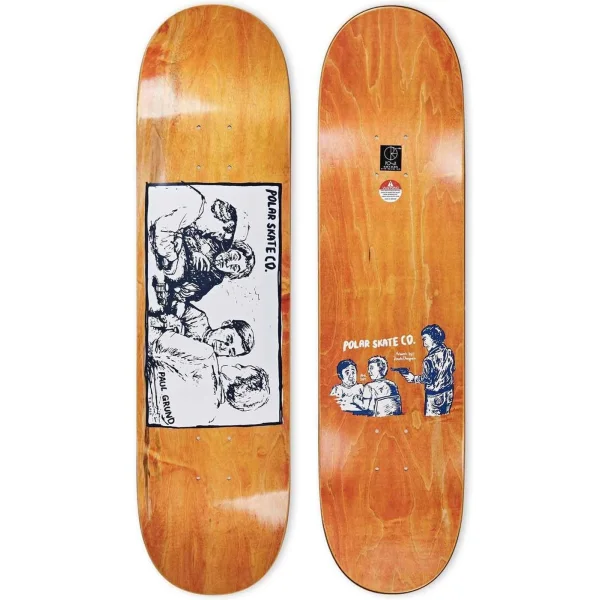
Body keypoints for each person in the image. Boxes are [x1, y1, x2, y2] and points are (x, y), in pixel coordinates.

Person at [146, 318, 269, 426]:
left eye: (241, 367)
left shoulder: (206, 357)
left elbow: (156, 341)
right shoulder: (208, 416)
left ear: (236, 380)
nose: (237, 364)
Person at [150, 189, 255, 311]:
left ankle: (162, 258)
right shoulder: (218, 244)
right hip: (174, 239)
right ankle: (161, 240)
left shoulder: (213, 278)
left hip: (174, 262)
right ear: (231, 249)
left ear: (231, 274)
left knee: (176, 268)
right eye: (233, 257)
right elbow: (191, 231)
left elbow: (194, 294)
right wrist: (194, 251)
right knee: (197, 202)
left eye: (234, 267)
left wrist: (185, 291)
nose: (228, 262)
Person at [148, 303, 254, 357]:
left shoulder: (202, 363)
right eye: (228, 339)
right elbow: (173, 305)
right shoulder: (199, 319)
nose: (224, 346)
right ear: (226, 324)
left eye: (230, 351)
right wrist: (172, 319)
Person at [401, 324, 455, 416]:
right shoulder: (449, 352)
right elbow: (452, 369)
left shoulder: (429, 359)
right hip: (449, 392)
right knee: (446, 418)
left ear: (433, 339)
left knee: (432, 421)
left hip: (435, 395)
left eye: (425, 339)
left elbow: (427, 379)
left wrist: (413, 378)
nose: (424, 344)